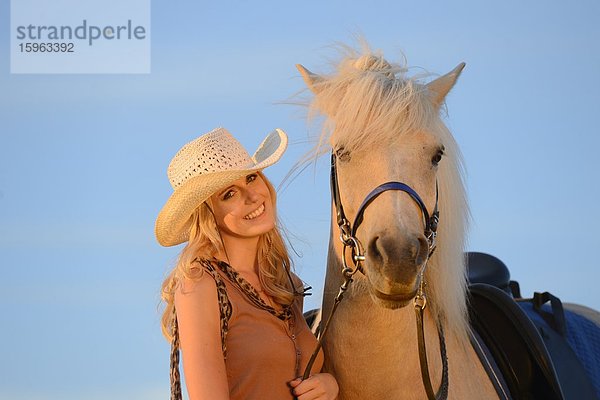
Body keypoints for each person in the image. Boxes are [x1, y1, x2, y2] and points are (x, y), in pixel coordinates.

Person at [155, 127, 339, 400]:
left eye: (251, 178)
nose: (252, 196)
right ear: (208, 216)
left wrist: (329, 386)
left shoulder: (286, 286)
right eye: (229, 194)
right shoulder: (201, 285)